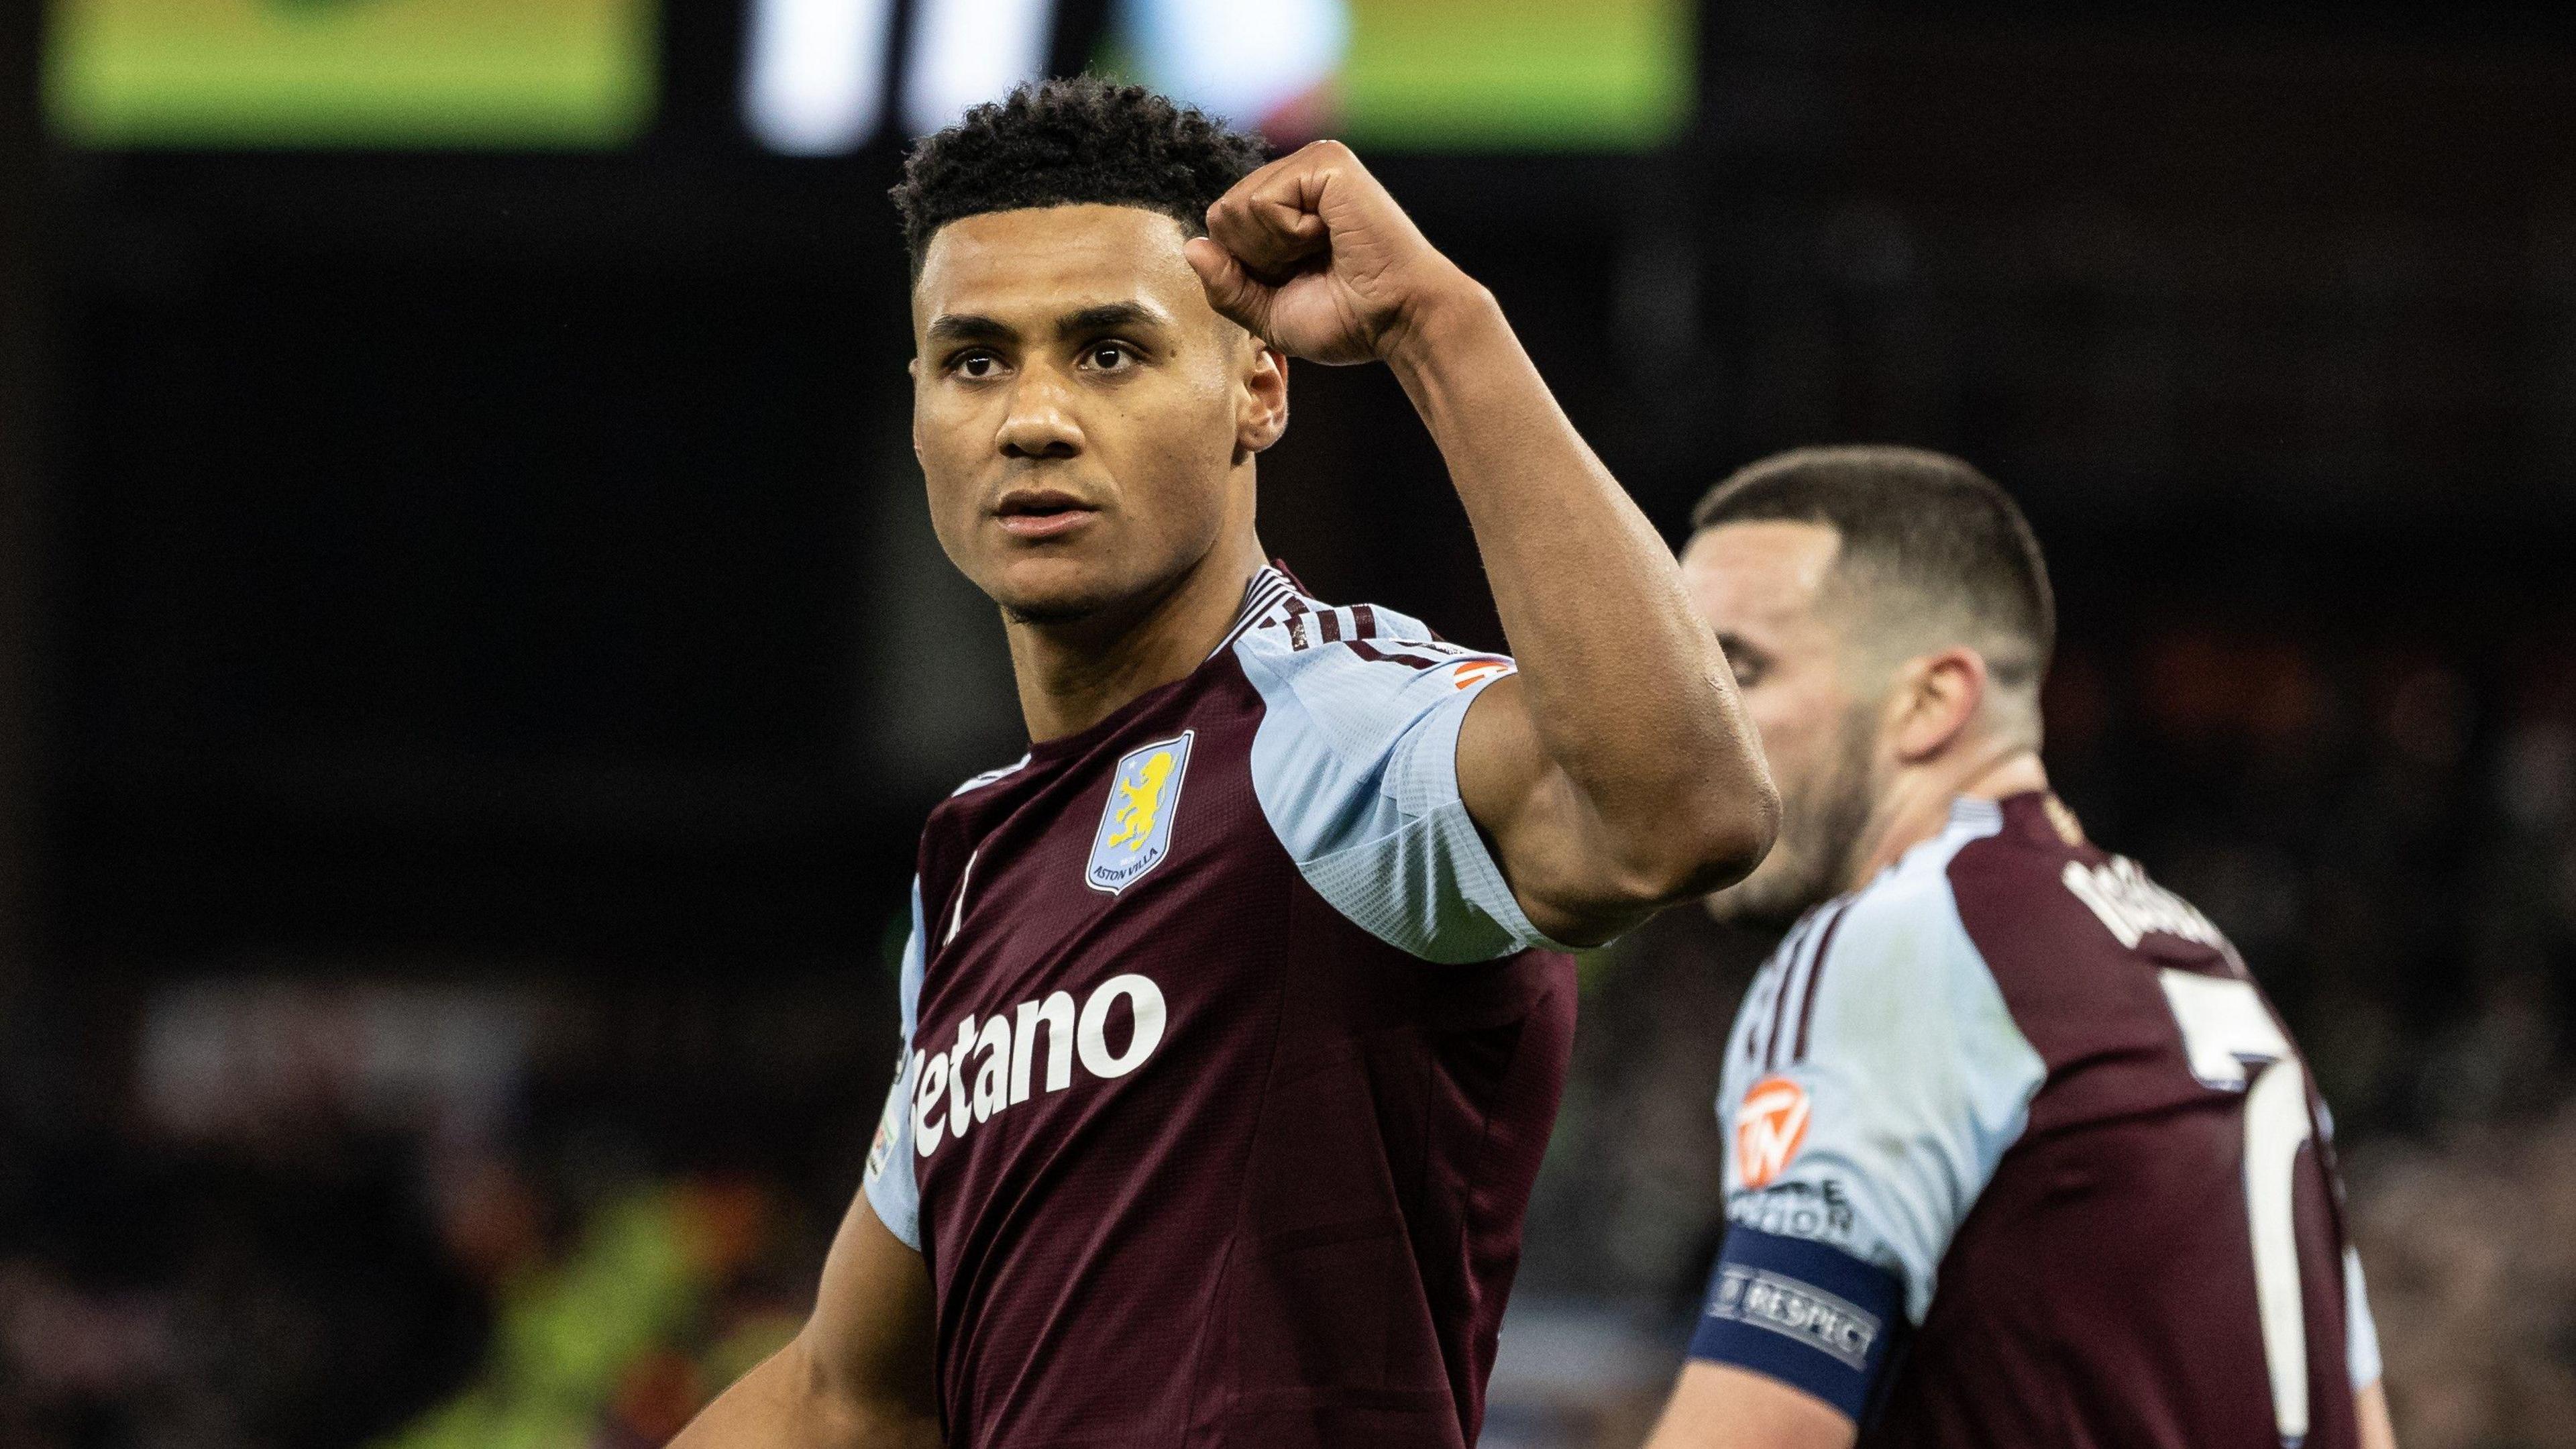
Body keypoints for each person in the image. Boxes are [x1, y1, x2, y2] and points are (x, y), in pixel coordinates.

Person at [673, 79, 1777, 1449]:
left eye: (1109, 352)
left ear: (1259, 387)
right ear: (916, 412)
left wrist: (1442, 327)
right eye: (974, 360)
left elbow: (1684, 814)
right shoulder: (972, 862)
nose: (1031, 420)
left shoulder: (1337, 726)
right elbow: (847, 1395)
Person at [1642, 446, 2396, 1449]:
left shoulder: (1898, 945)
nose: (1684, 722)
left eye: (1740, 669)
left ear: (1929, 702)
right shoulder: (2200, 962)